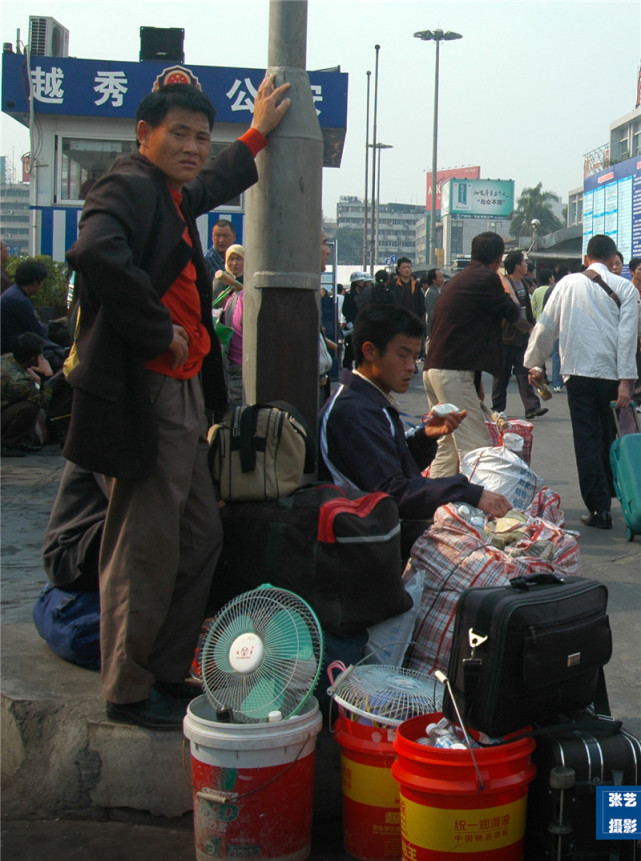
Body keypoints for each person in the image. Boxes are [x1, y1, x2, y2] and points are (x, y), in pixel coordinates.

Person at [63, 76, 291, 729]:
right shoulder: (128, 183)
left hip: (184, 389)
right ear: (144, 135)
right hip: (149, 390)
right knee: (145, 545)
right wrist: (154, 327)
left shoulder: (167, 192)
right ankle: (129, 687)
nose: (193, 147)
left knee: (198, 535)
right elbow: (93, 251)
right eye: (179, 134)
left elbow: (211, 183)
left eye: (200, 135)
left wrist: (255, 133)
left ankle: (163, 668)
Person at [320, 304, 511, 557]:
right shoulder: (354, 412)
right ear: (370, 352)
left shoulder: (370, 402)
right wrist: (467, 491)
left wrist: (424, 438)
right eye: (403, 355)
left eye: (415, 356)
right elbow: (392, 492)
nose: (412, 366)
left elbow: (391, 466)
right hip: (363, 549)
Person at [525, 235, 640, 530]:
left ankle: (599, 508)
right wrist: (626, 381)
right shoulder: (625, 288)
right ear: (613, 258)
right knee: (611, 437)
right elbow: (628, 338)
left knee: (586, 439)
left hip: (577, 374)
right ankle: (623, 496)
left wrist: (534, 363)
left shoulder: (566, 284)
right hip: (613, 377)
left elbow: (545, 326)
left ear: (586, 259)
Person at [423, 232, 521, 477]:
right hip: (453, 372)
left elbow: (466, 331)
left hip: (435, 368)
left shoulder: (460, 278)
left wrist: (475, 381)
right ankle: (482, 509)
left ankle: (436, 504)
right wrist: (504, 278)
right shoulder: (486, 278)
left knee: (447, 445)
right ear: (499, 259)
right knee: (475, 448)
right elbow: (513, 311)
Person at [491, 250, 547, 420]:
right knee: (502, 374)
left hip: (522, 336)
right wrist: (529, 328)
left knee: (524, 372)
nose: (526, 265)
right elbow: (511, 314)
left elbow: (526, 310)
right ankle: (498, 408)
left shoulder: (523, 282)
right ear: (516, 266)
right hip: (507, 337)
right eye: (523, 263)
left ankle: (532, 407)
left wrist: (531, 328)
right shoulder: (505, 284)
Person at [1, 332, 54, 456]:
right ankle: (8, 443)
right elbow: (43, 401)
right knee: (29, 406)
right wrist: (47, 376)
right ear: (32, 358)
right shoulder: (19, 381)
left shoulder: (8, 358)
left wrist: (29, 371)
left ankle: (21, 439)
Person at [219, 244, 245, 406]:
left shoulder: (242, 288)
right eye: (231, 259)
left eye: (239, 259)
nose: (234, 263)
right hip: (235, 362)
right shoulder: (220, 285)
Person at [391, 257, 426, 323]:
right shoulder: (393, 285)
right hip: (398, 321)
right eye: (404, 267)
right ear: (399, 269)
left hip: (413, 320)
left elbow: (421, 305)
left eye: (408, 267)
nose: (407, 270)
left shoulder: (416, 285)